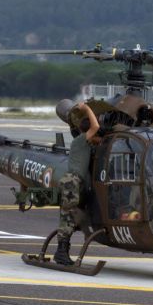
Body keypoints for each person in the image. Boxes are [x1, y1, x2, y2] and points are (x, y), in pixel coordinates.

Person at [54, 102, 100, 265]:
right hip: (71, 182)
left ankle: (62, 251)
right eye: (94, 136)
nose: (96, 138)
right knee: (68, 216)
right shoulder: (82, 140)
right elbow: (95, 127)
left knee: (72, 214)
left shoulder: (83, 143)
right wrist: (87, 109)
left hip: (74, 182)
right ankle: (61, 252)